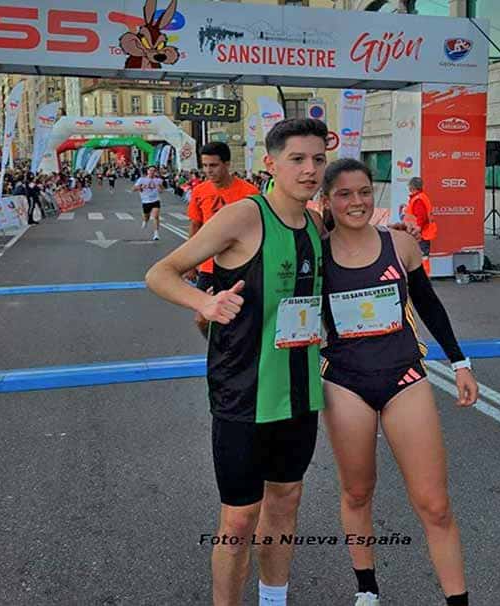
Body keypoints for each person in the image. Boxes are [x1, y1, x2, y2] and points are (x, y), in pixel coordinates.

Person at [146, 119, 330, 606]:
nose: (310, 170)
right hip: (243, 393)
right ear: (271, 164)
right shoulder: (245, 217)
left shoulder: (315, 222)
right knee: (240, 517)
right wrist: (204, 305)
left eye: (318, 159)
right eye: (297, 159)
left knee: (286, 503)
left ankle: (274, 601)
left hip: (301, 391)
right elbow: (160, 273)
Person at [320, 158, 478, 606]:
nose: (357, 202)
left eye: (365, 191)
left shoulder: (401, 245)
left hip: (405, 377)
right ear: (328, 200)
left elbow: (429, 306)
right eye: (345, 194)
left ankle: (458, 600)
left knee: (435, 504)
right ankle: (367, 588)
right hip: (344, 381)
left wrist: (460, 362)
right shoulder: (316, 251)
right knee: (357, 491)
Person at [187, 142, 259, 332]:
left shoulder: (249, 192)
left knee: (239, 319)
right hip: (209, 267)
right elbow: (195, 225)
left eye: (214, 165)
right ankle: (218, 352)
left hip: (240, 267)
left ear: (227, 164)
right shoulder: (200, 191)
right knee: (202, 320)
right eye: (205, 166)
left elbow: (257, 230)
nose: (208, 171)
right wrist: (190, 263)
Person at [402, 176, 437, 275]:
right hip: (422, 233)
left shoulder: (418, 199)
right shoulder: (421, 197)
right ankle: (423, 276)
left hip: (420, 234)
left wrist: (417, 229)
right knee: (422, 256)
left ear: (411, 187)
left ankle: (423, 277)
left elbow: (421, 217)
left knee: (421, 256)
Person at [132, 165, 164, 241]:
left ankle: (156, 234)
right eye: (150, 170)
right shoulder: (142, 180)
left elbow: (162, 190)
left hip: (155, 200)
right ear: (147, 171)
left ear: (155, 172)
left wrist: (160, 188)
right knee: (146, 216)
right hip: (145, 201)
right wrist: (140, 187)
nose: (152, 172)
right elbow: (133, 189)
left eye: (153, 171)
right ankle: (145, 221)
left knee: (156, 216)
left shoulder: (158, 180)